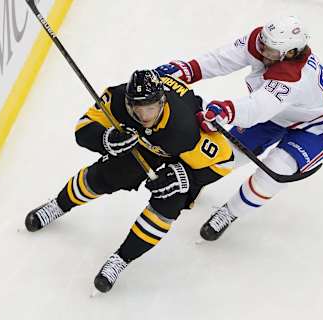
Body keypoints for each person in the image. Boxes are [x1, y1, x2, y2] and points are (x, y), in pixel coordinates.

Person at [24, 70, 234, 292]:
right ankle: (58, 205)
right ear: (129, 101)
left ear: (162, 102)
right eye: (138, 108)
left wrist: (182, 177)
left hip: (181, 154)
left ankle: (121, 259)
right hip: (146, 145)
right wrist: (106, 139)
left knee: (168, 203)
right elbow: (83, 128)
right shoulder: (117, 98)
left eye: (150, 108)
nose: (144, 116)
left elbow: (224, 162)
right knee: (106, 175)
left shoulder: (185, 128)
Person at [156, 15, 323, 241]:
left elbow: (258, 107)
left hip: (317, 126)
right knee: (226, 153)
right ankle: (197, 182)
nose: (262, 51)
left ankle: (229, 212)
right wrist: (185, 70)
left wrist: (227, 111)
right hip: (280, 112)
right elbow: (221, 59)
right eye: (262, 43)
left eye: (269, 50)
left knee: (276, 170)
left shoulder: (294, 77)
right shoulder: (262, 43)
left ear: (290, 53)